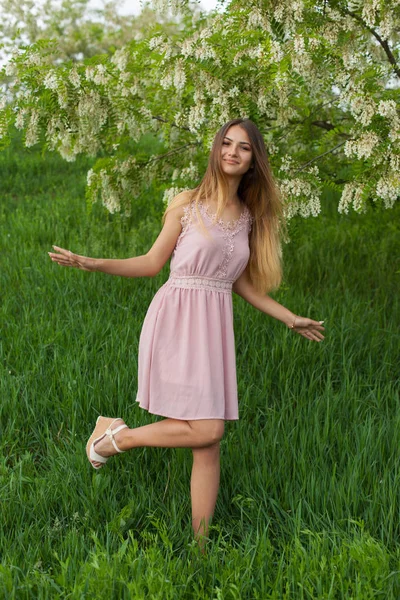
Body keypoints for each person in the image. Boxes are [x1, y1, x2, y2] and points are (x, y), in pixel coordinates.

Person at [48, 117, 325, 551]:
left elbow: (240, 283)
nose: (232, 151)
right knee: (209, 430)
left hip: (213, 329)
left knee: (207, 443)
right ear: (216, 150)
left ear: (254, 161)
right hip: (177, 319)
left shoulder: (249, 217)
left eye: (244, 147)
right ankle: (116, 438)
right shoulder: (186, 204)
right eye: (226, 143)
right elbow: (151, 262)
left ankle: (200, 547)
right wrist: (92, 262)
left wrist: (290, 318)